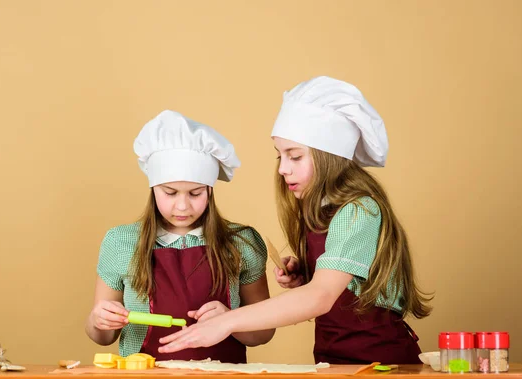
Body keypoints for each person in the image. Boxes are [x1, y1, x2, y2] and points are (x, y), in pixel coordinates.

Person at [159, 77, 432, 364]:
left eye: (295, 156)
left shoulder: (359, 210)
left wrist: (228, 321)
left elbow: (321, 296)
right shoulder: (319, 210)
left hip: (382, 362)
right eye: (280, 156)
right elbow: (335, 288)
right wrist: (308, 275)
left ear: (330, 157)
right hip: (334, 360)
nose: (283, 169)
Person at [85, 110, 274, 363]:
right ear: (153, 189)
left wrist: (230, 320)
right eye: (170, 193)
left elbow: (263, 333)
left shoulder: (242, 242)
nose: (183, 206)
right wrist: (100, 320)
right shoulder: (121, 242)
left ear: (210, 190)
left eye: (195, 193)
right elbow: (103, 336)